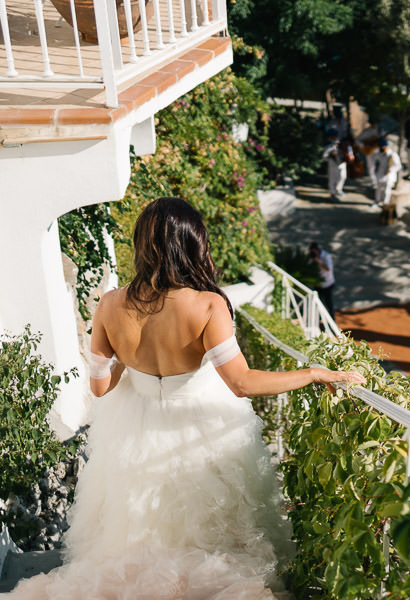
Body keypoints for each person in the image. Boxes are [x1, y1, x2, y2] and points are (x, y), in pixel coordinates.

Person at [7, 198, 366, 599]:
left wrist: (130, 360)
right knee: (209, 539)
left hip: (134, 432)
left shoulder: (109, 304)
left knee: (138, 537)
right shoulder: (208, 305)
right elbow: (242, 383)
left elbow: (99, 388)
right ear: (193, 243)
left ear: (143, 244)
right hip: (201, 427)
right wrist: (314, 373)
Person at [308, 241, 335, 318]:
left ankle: (332, 322)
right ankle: (318, 321)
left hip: (328, 284)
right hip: (318, 284)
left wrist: (319, 261)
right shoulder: (311, 257)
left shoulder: (326, 256)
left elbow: (328, 269)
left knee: (329, 304)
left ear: (318, 250)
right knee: (317, 304)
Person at [373, 137, 401, 208]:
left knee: (387, 190)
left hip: (389, 176)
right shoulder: (378, 153)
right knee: (378, 189)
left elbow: (398, 166)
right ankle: (377, 201)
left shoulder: (392, 155)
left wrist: (390, 170)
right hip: (380, 174)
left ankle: (385, 204)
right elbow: (376, 162)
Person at [322, 128, 346, 201]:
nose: (335, 137)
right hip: (332, 165)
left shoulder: (342, 144)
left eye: (336, 136)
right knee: (332, 179)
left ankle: (338, 190)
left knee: (343, 177)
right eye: (333, 136)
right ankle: (333, 193)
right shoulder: (328, 147)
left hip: (342, 163)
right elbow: (324, 158)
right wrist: (331, 155)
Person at [355, 120, 380, 188]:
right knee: (371, 168)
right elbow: (357, 140)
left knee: (380, 167)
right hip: (369, 152)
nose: (374, 125)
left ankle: (379, 182)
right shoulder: (366, 131)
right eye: (372, 124)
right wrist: (364, 145)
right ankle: (374, 183)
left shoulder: (379, 130)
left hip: (378, 152)